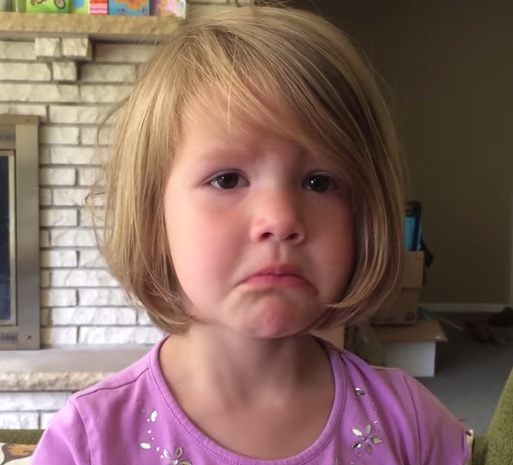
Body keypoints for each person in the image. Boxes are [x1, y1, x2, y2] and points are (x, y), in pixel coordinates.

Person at [31, 4, 472, 465]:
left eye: (319, 182)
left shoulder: (412, 424)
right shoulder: (89, 442)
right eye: (227, 179)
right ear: (153, 215)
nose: (280, 218)